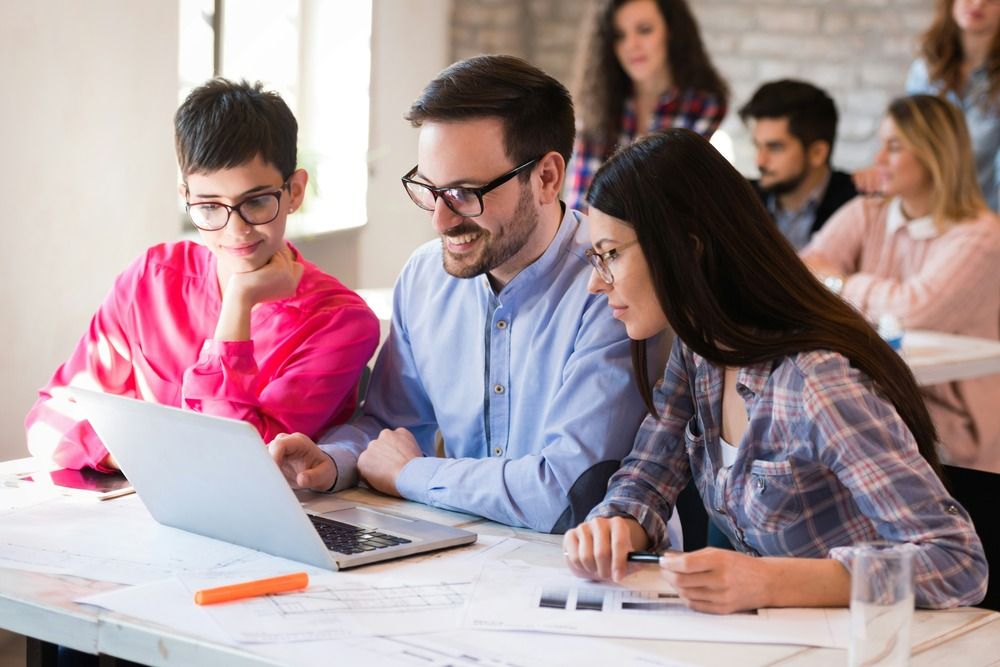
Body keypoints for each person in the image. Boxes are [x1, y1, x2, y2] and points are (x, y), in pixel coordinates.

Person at [563, 128, 987, 613]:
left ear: (686, 247)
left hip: (865, 643)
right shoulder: (697, 354)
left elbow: (956, 562)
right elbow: (648, 475)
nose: (596, 283)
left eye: (611, 254)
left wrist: (769, 582)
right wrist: (617, 525)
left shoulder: (817, 381)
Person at [269, 55, 659, 534]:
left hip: (583, 561)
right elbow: (392, 427)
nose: (440, 220)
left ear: (546, 177)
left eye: (464, 193)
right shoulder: (424, 277)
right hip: (462, 550)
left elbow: (566, 493)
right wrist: (331, 461)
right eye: (429, 189)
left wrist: (413, 474)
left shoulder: (610, 287)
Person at [25, 79, 380, 472]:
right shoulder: (151, 279)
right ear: (187, 198)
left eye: (256, 202)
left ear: (294, 192)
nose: (236, 230)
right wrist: (144, 457)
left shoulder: (341, 322)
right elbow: (47, 421)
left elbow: (234, 462)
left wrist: (239, 303)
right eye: (210, 207)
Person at [802, 94, 1000, 474]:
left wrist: (840, 283)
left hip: (958, 431)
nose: (877, 159)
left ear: (935, 154)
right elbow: (801, 272)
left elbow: (914, 310)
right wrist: (840, 283)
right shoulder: (868, 211)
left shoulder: (982, 236)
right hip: (884, 398)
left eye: (893, 147)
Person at [564, 0, 728, 211]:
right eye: (619, 35)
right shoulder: (597, 105)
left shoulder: (703, 106)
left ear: (672, 31)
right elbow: (581, 203)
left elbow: (676, 204)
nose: (631, 45)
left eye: (644, 30)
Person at [738, 79, 857, 250]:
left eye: (775, 147)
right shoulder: (741, 200)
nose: (760, 161)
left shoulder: (858, 206)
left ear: (817, 153)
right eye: (757, 146)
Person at [904, 0, 1000, 211]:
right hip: (924, 209)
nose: (978, 3)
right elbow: (908, 139)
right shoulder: (925, 70)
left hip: (985, 214)